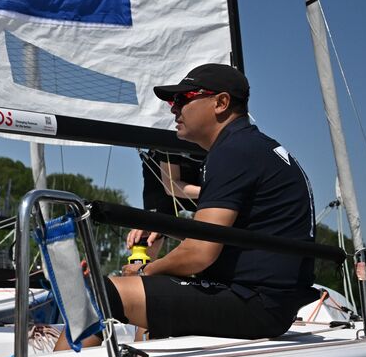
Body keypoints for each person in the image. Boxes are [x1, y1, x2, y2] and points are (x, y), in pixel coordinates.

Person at [102, 63, 318, 340]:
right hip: (268, 300)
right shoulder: (254, 146)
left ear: (221, 103)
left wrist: (145, 270)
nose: (173, 108)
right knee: (148, 306)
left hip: (253, 303)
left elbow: (199, 253)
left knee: (102, 293)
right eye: (172, 100)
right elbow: (225, 234)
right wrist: (164, 232)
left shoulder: (232, 152)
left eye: (183, 99)